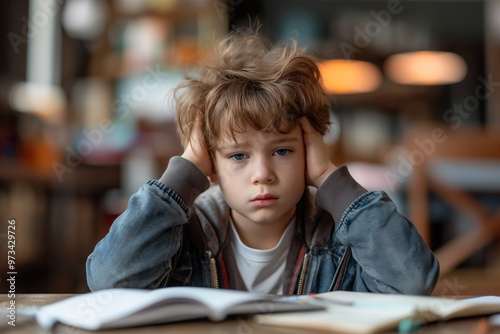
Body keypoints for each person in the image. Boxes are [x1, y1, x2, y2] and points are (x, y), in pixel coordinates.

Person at [86, 30, 439, 295]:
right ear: (210, 162)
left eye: (282, 151)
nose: (262, 175)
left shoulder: (339, 234)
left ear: (309, 149)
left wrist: (328, 176)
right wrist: (185, 171)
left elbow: (413, 282)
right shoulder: (184, 233)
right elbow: (110, 281)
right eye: (238, 156)